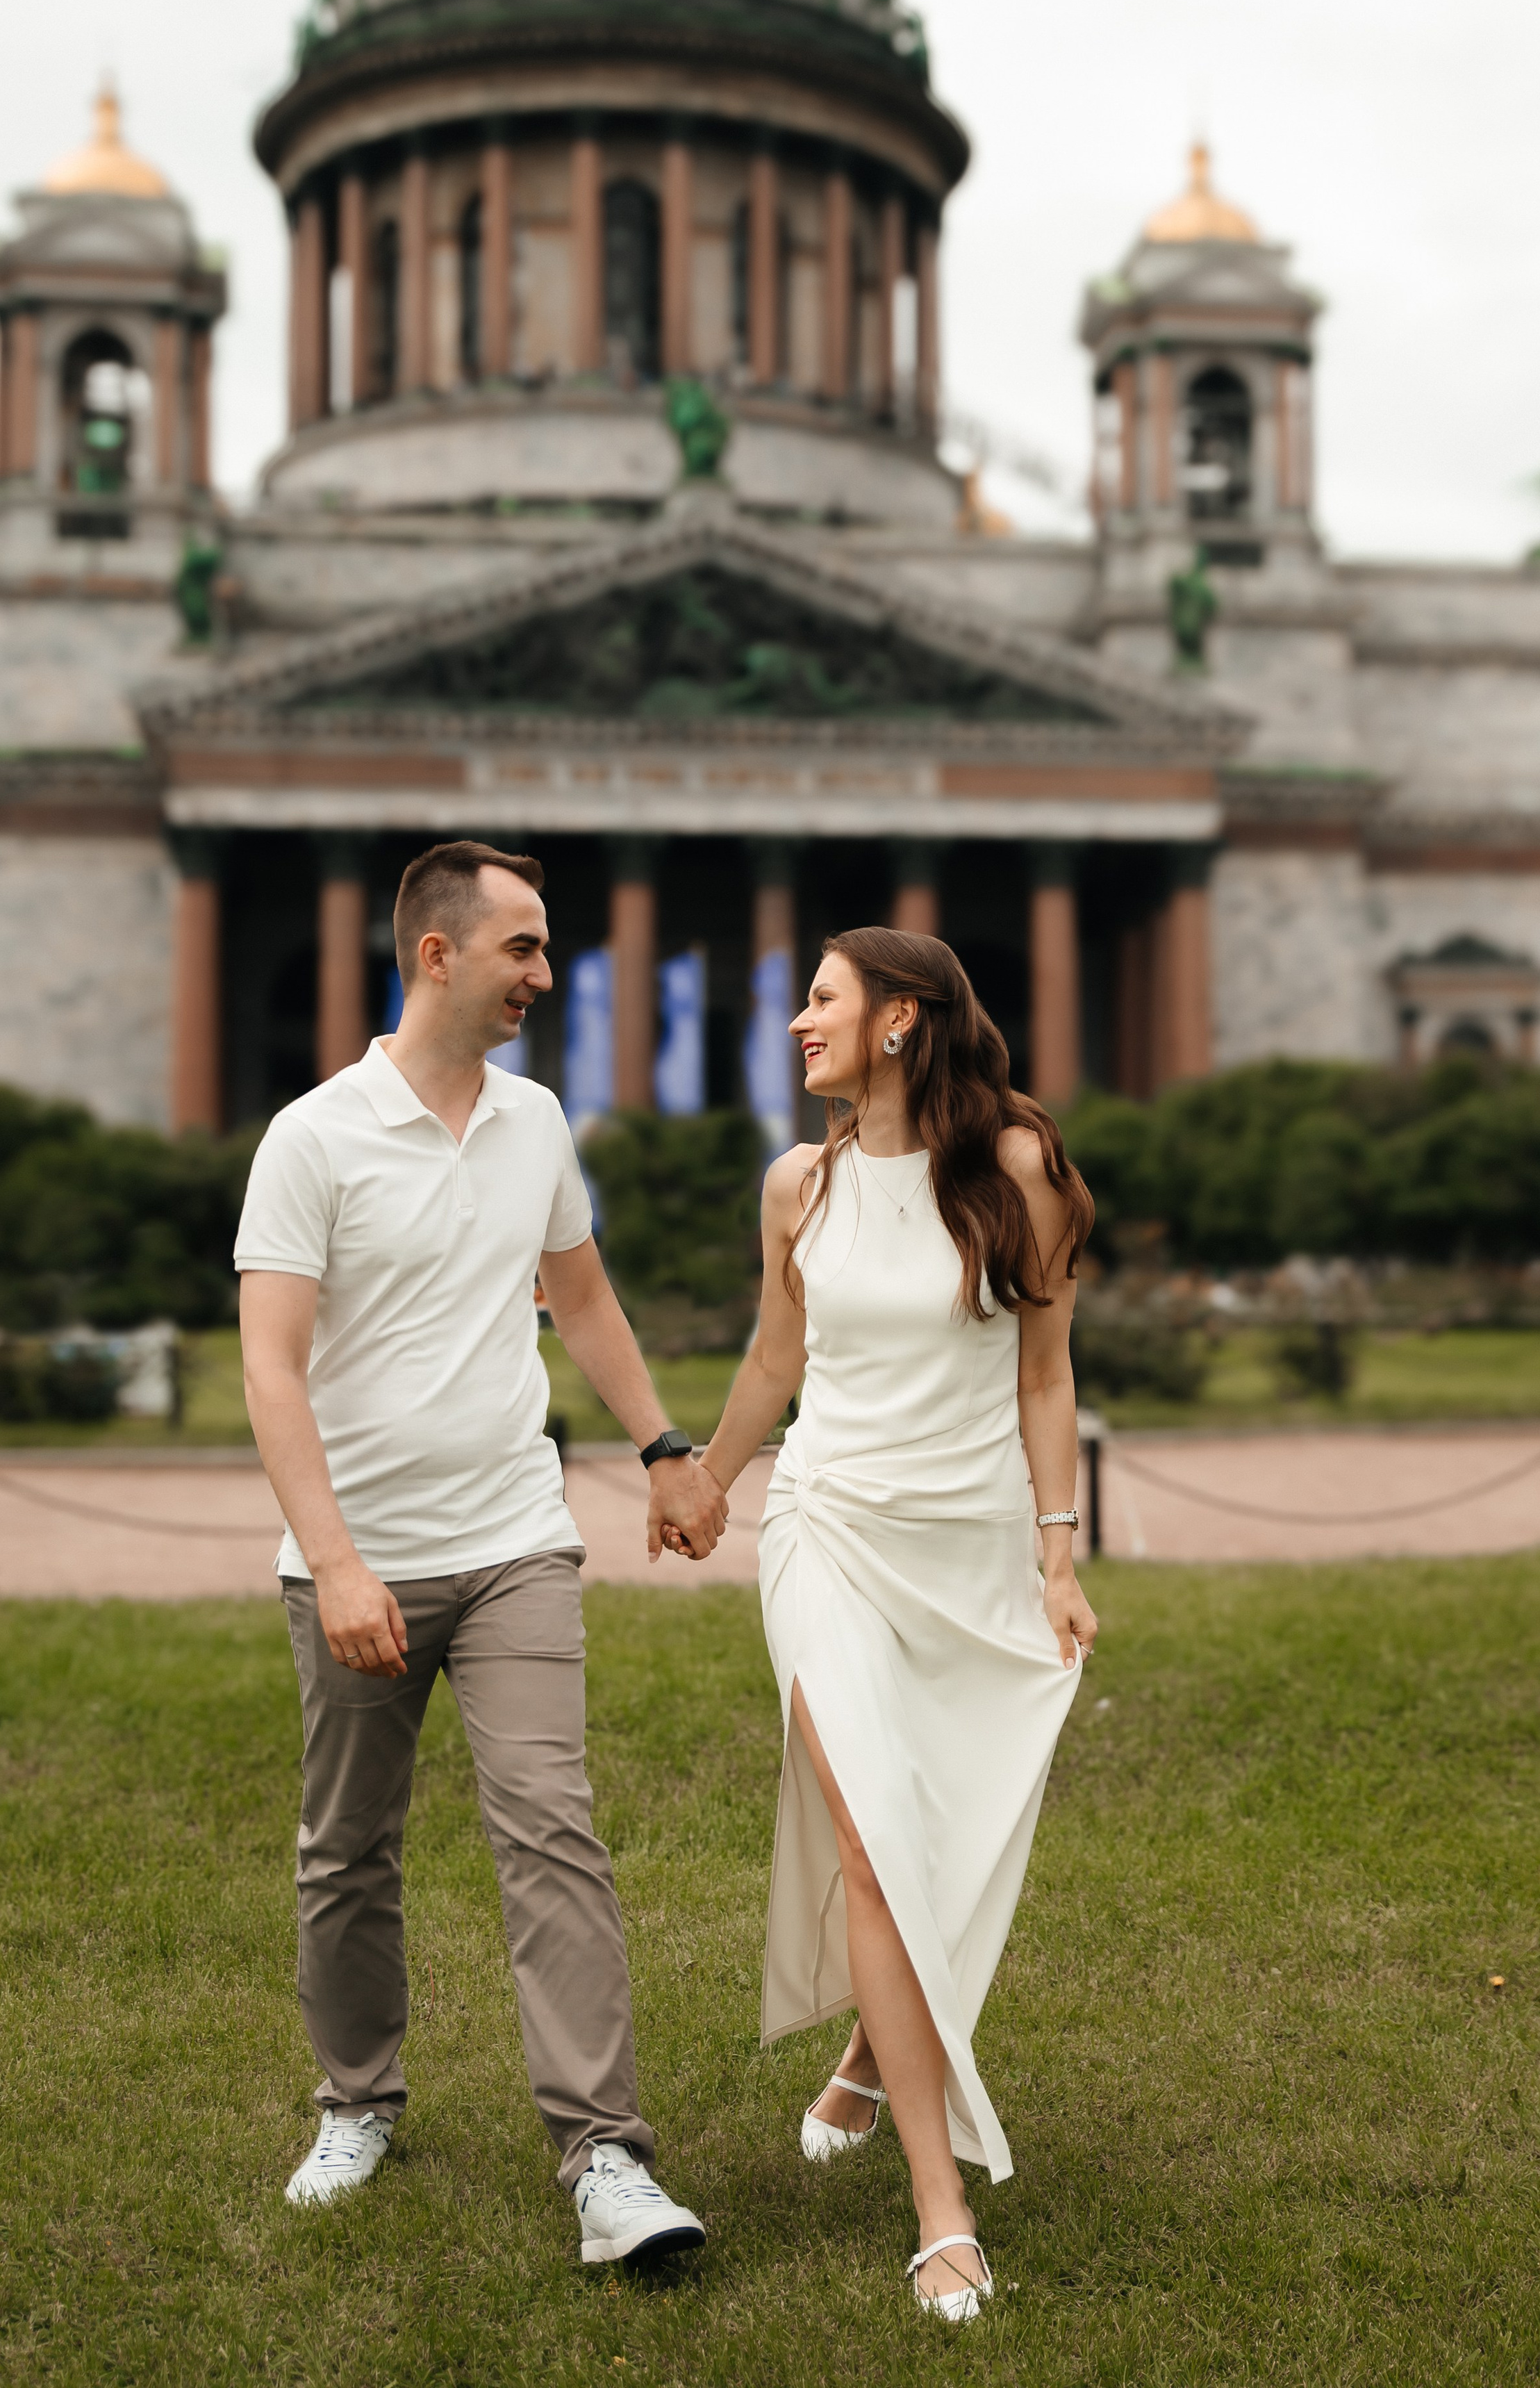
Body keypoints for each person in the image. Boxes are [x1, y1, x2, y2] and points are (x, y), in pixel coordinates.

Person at [236, 839, 721, 2270]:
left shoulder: (536, 1122)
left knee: (551, 1834)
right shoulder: (311, 1136)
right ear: (436, 952)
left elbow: (581, 1297)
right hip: (356, 1559)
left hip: (517, 1540)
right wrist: (333, 1561)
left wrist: (662, 1446)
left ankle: (605, 2155)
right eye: (521, 945)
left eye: (547, 944)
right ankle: (356, 2099)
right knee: (346, 1854)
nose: (545, 974)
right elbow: (270, 1370)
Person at [693, 927, 1098, 2323]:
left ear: (898, 1018)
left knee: (942, 1827)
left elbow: (1042, 1378)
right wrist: (706, 1480)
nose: (796, 1022)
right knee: (871, 1835)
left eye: (819, 1000)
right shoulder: (793, 1184)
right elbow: (774, 1359)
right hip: (826, 1532)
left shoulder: (1015, 1170)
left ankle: (871, 2050)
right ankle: (941, 2205)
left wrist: (1056, 1557)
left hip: (972, 1548)